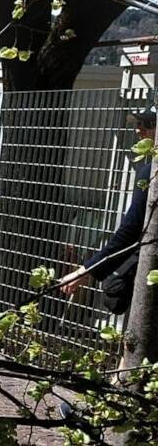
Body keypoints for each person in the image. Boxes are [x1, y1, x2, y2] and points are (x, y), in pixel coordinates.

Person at [60, 109, 155, 312]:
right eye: (138, 123)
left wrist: (86, 270)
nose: (139, 130)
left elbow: (131, 229)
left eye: (147, 124)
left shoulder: (151, 172)